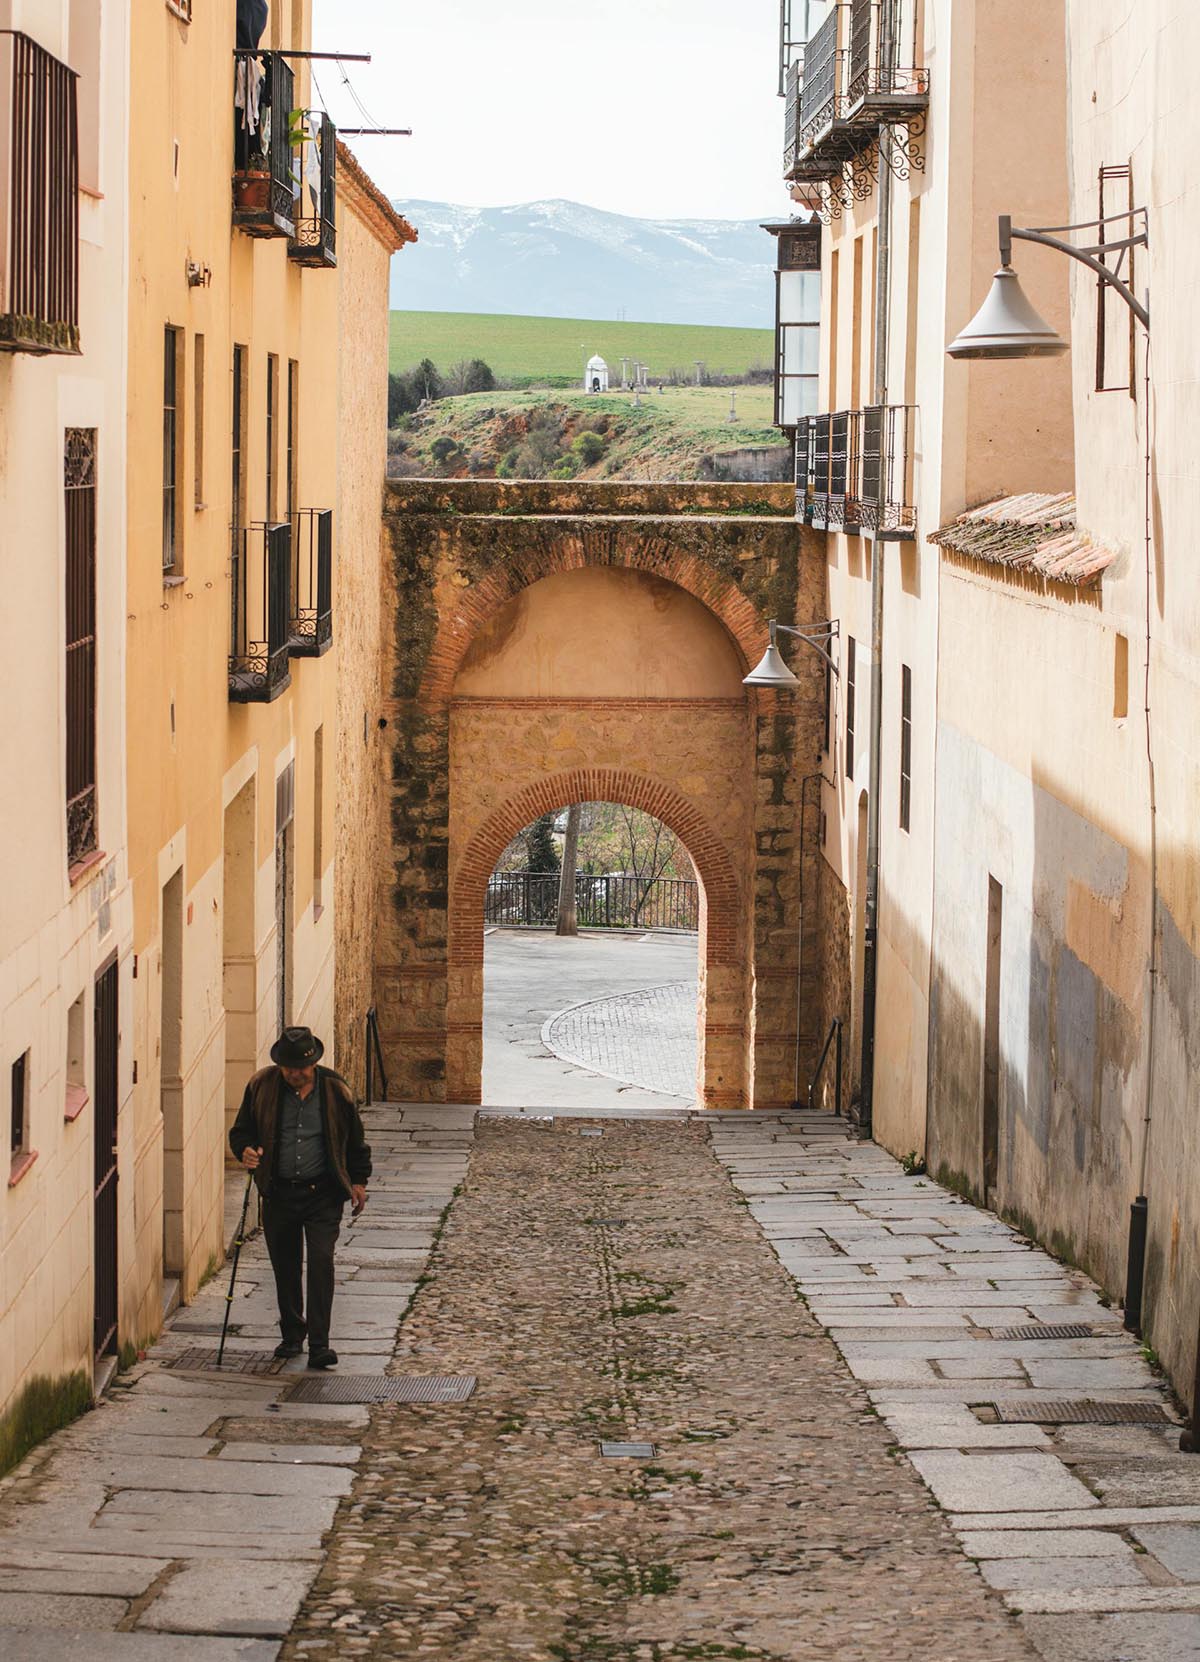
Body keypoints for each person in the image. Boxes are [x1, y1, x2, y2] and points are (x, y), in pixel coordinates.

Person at [229, 1027, 371, 1369]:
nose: (295, 1074)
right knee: (286, 1266)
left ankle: (320, 1344)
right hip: (279, 1192)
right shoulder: (261, 1086)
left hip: (322, 1192)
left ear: (314, 1063)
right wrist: (245, 1150)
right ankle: (293, 1335)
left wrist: (359, 1181)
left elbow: (355, 1140)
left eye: (301, 1068)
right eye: (289, 1068)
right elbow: (241, 1131)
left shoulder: (336, 1090)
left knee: (321, 1262)